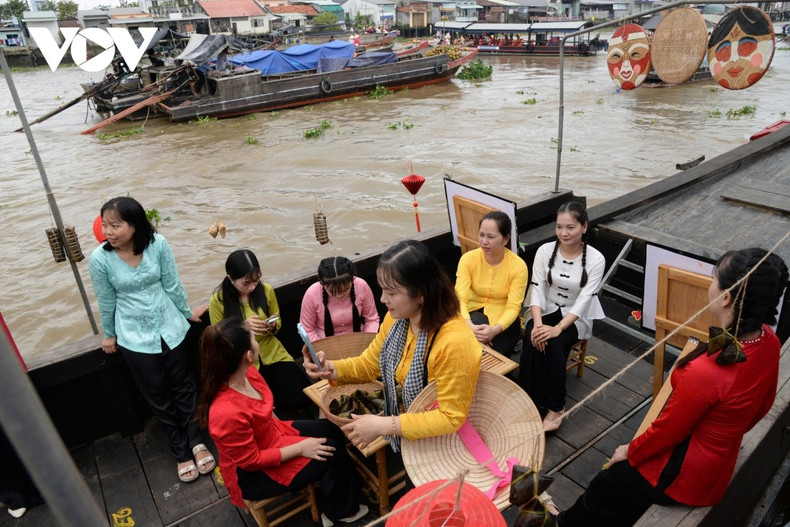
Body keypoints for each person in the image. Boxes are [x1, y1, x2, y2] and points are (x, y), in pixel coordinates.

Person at [557, 248, 788, 527]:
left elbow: (666, 431)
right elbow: (761, 408)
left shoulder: (709, 371)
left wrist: (629, 451)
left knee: (609, 480)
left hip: (685, 476)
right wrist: (724, 437)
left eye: (714, 279)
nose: (710, 285)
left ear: (726, 297)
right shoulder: (768, 341)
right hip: (716, 466)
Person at [303, 240, 481, 452]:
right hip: (412, 429)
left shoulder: (454, 342)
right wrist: (329, 369)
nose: (383, 299)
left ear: (421, 294)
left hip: (447, 444)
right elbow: (369, 365)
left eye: (391, 292)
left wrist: (384, 424)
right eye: (382, 289)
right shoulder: (397, 320)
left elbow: (451, 417)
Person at [88, 196, 214, 483]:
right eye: (105, 225)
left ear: (134, 225)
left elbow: (172, 282)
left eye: (115, 225)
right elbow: (106, 301)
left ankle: (195, 440)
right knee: (157, 392)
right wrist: (108, 334)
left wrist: (185, 313)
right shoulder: (100, 259)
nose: (107, 231)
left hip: (169, 326)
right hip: (134, 335)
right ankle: (180, 450)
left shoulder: (158, 244)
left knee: (184, 385)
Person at [196, 318, 369, 527]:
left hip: (272, 434)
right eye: (253, 337)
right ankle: (338, 511)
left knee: (329, 429)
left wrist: (294, 441)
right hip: (254, 474)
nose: (257, 340)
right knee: (331, 452)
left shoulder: (248, 372)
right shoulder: (225, 413)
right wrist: (300, 448)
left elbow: (267, 415)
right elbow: (251, 461)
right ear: (248, 355)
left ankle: (334, 487)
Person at [517, 201, 605, 433]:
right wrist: (538, 324)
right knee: (534, 338)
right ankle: (527, 397)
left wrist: (557, 328)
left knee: (555, 344)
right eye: (559, 227)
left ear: (584, 227)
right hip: (542, 309)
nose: (563, 233)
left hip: (576, 316)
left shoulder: (596, 259)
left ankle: (556, 407)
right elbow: (536, 289)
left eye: (570, 227)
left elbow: (585, 299)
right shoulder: (545, 251)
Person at [209, 249, 311, 415]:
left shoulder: (266, 290)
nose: (252, 287)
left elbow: (277, 320)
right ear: (230, 279)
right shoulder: (218, 301)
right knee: (263, 405)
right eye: (246, 283)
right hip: (243, 360)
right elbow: (218, 338)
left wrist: (272, 326)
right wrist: (243, 327)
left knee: (299, 395)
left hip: (272, 351)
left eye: (256, 281)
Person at [455, 211, 527, 355]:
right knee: (474, 329)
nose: (484, 241)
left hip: (502, 321)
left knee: (494, 352)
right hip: (471, 313)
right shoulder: (468, 259)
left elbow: (513, 307)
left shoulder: (518, 266)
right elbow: (459, 298)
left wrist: (494, 330)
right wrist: (469, 325)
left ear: (505, 239)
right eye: (481, 235)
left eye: (491, 237)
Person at [299, 256, 380, 341]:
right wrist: (320, 349)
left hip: (358, 339)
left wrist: (366, 341)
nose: (338, 295)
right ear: (322, 283)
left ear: (352, 280)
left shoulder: (361, 285)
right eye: (332, 291)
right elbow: (306, 329)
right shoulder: (312, 294)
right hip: (323, 343)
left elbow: (372, 319)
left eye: (344, 290)